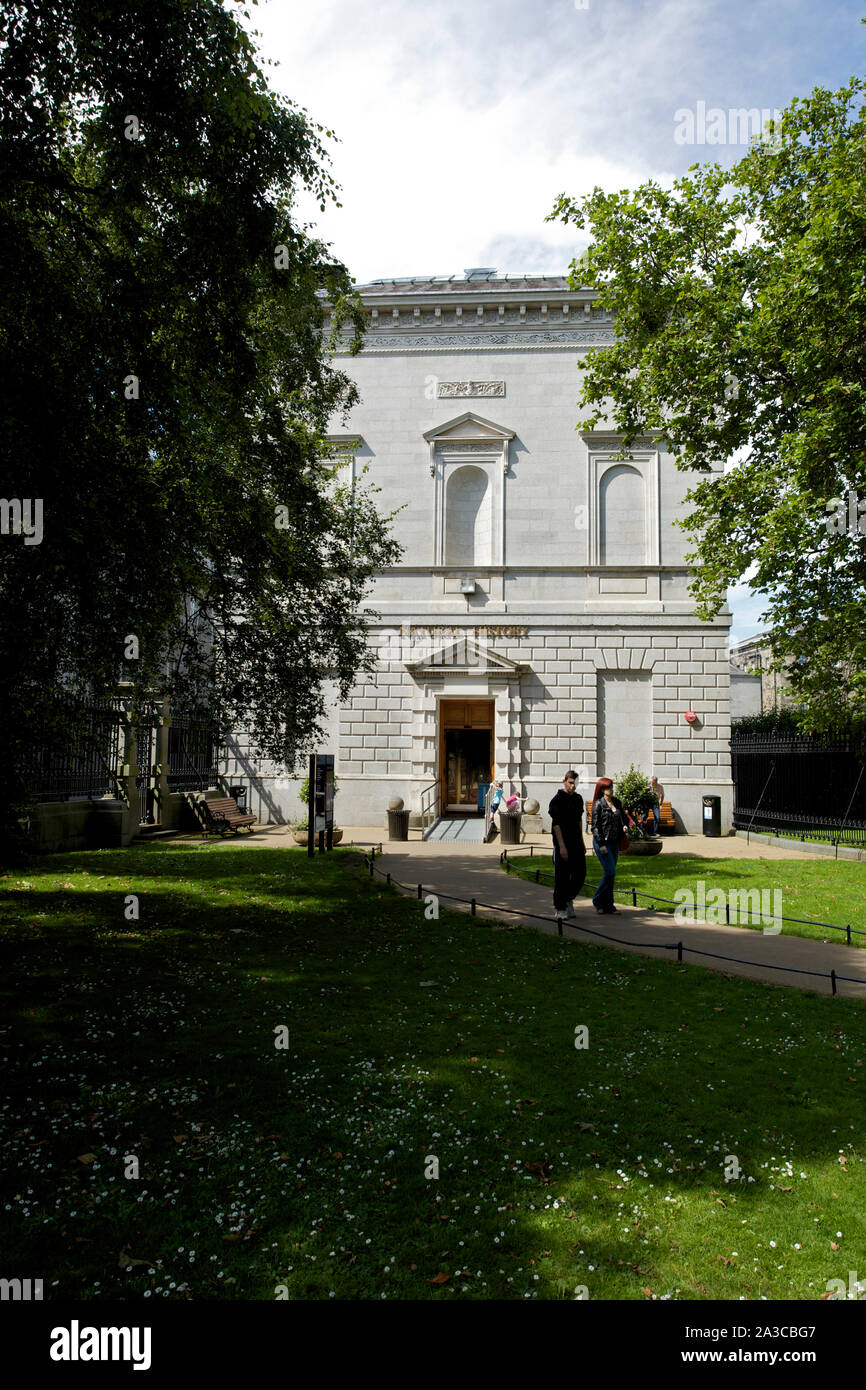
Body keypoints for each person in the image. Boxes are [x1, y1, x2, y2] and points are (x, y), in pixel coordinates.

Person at [548, 770, 586, 923]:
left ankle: (569, 898)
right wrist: (561, 847)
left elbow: (578, 821)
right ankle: (560, 907)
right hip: (562, 843)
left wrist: (582, 841)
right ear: (564, 781)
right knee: (561, 877)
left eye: (575, 783)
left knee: (580, 874)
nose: (572, 786)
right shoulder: (557, 800)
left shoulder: (578, 799)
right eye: (570, 783)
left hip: (576, 842)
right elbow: (556, 825)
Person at [590, 777, 626, 914]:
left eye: (611, 787)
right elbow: (595, 827)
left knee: (610, 874)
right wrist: (601, 844)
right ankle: (598, 900)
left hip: (614, 841)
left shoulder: (616, 802)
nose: (611, 789)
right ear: (602, 789)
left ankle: (608, 905)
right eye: (608, 787)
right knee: (610, 872)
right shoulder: (598, 804)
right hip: (602, 843)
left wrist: (624, 826)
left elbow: (623, 818)